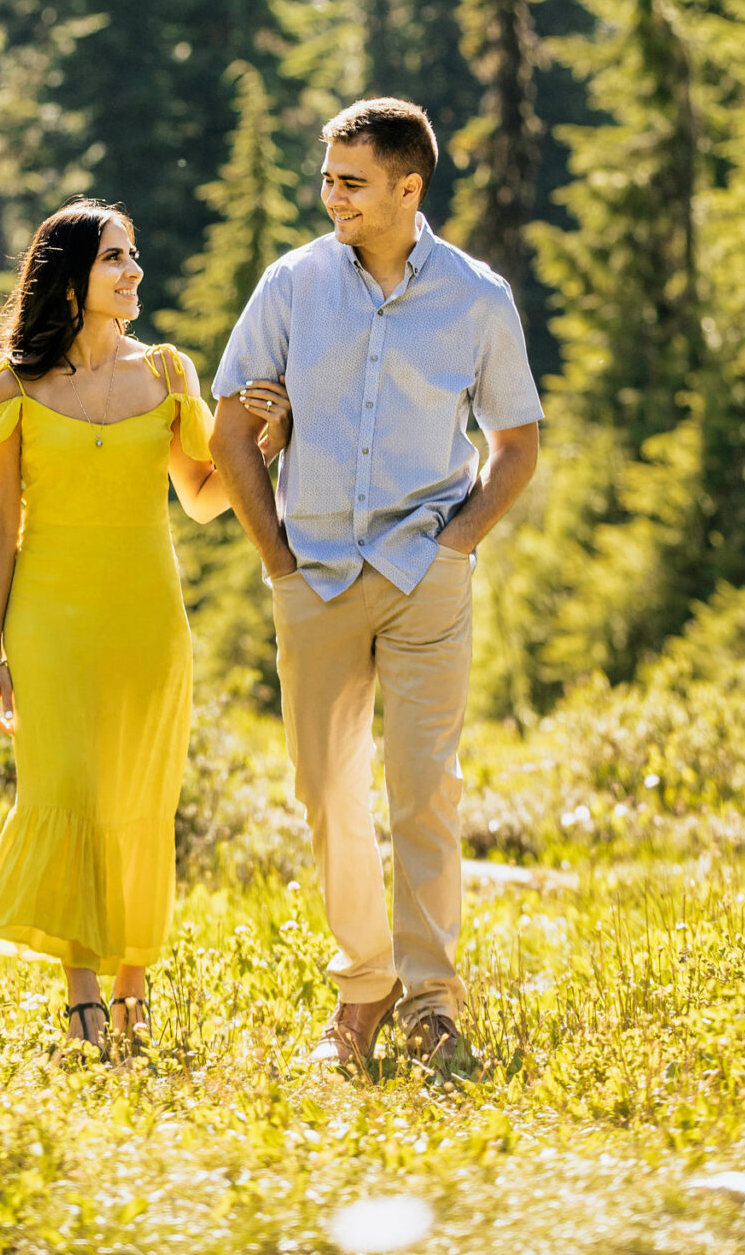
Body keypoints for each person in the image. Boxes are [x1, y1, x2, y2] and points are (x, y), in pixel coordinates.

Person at [209, 96, 542, 1071]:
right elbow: (231, 426)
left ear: (409, 186)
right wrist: (276, 561)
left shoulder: (477, 296)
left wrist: (460, 544)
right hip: (312, 575)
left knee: (424, 788)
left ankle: (431, 999)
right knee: (325, 790)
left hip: (424, 571)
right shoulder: (293, 283)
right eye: (327, 178)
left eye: (351, 181)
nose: (332, 196)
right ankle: (367, 980)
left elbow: (514, 445)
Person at [0, 198, 285, 1056]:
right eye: (113, 259)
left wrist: (269, 439)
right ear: (68, 275)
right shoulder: (14, 386)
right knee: (68, 793)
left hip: (146, 621)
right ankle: (83, 997)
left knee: (138, 798)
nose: (133, 272)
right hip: (48, 623)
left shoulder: (167, 375)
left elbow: (207, 499)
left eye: (134, 255)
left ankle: (134, 993)